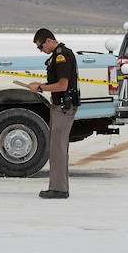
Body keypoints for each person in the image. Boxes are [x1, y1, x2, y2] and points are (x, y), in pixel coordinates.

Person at [28, 28, 79, 199]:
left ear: (49, 40)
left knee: (57, 148)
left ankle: (59, 189)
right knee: (58, 147)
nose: (41, 50)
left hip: (63, 106)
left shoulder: (61, 56)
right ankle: (59, 186)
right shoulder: (59, 55)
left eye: (40, 46)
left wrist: (40, 87)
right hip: (61, 105)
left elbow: (62, 85)